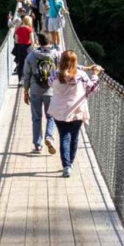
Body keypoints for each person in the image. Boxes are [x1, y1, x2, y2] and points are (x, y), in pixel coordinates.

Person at [47, 49, 103, 178]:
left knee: (64, 137)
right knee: (74, 137)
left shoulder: (55, 75)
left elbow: (50, 83)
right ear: (75, 62)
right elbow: (93, 88)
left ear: (61, 61)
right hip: (77, 110)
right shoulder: (81, 75)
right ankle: (70, 164)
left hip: (59, 111)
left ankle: (66, 166)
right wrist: (95, 74)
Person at [22, 37, 60, 156]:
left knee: (36, 117)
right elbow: (62, 71)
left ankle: (38, 145)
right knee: (51, 116)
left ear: (38, 42)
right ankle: (49, 137)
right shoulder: (56, 54)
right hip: (51, 90)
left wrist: (25, 91)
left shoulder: (31, 56)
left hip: (35, 90)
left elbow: (26, 75)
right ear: (50, 41)